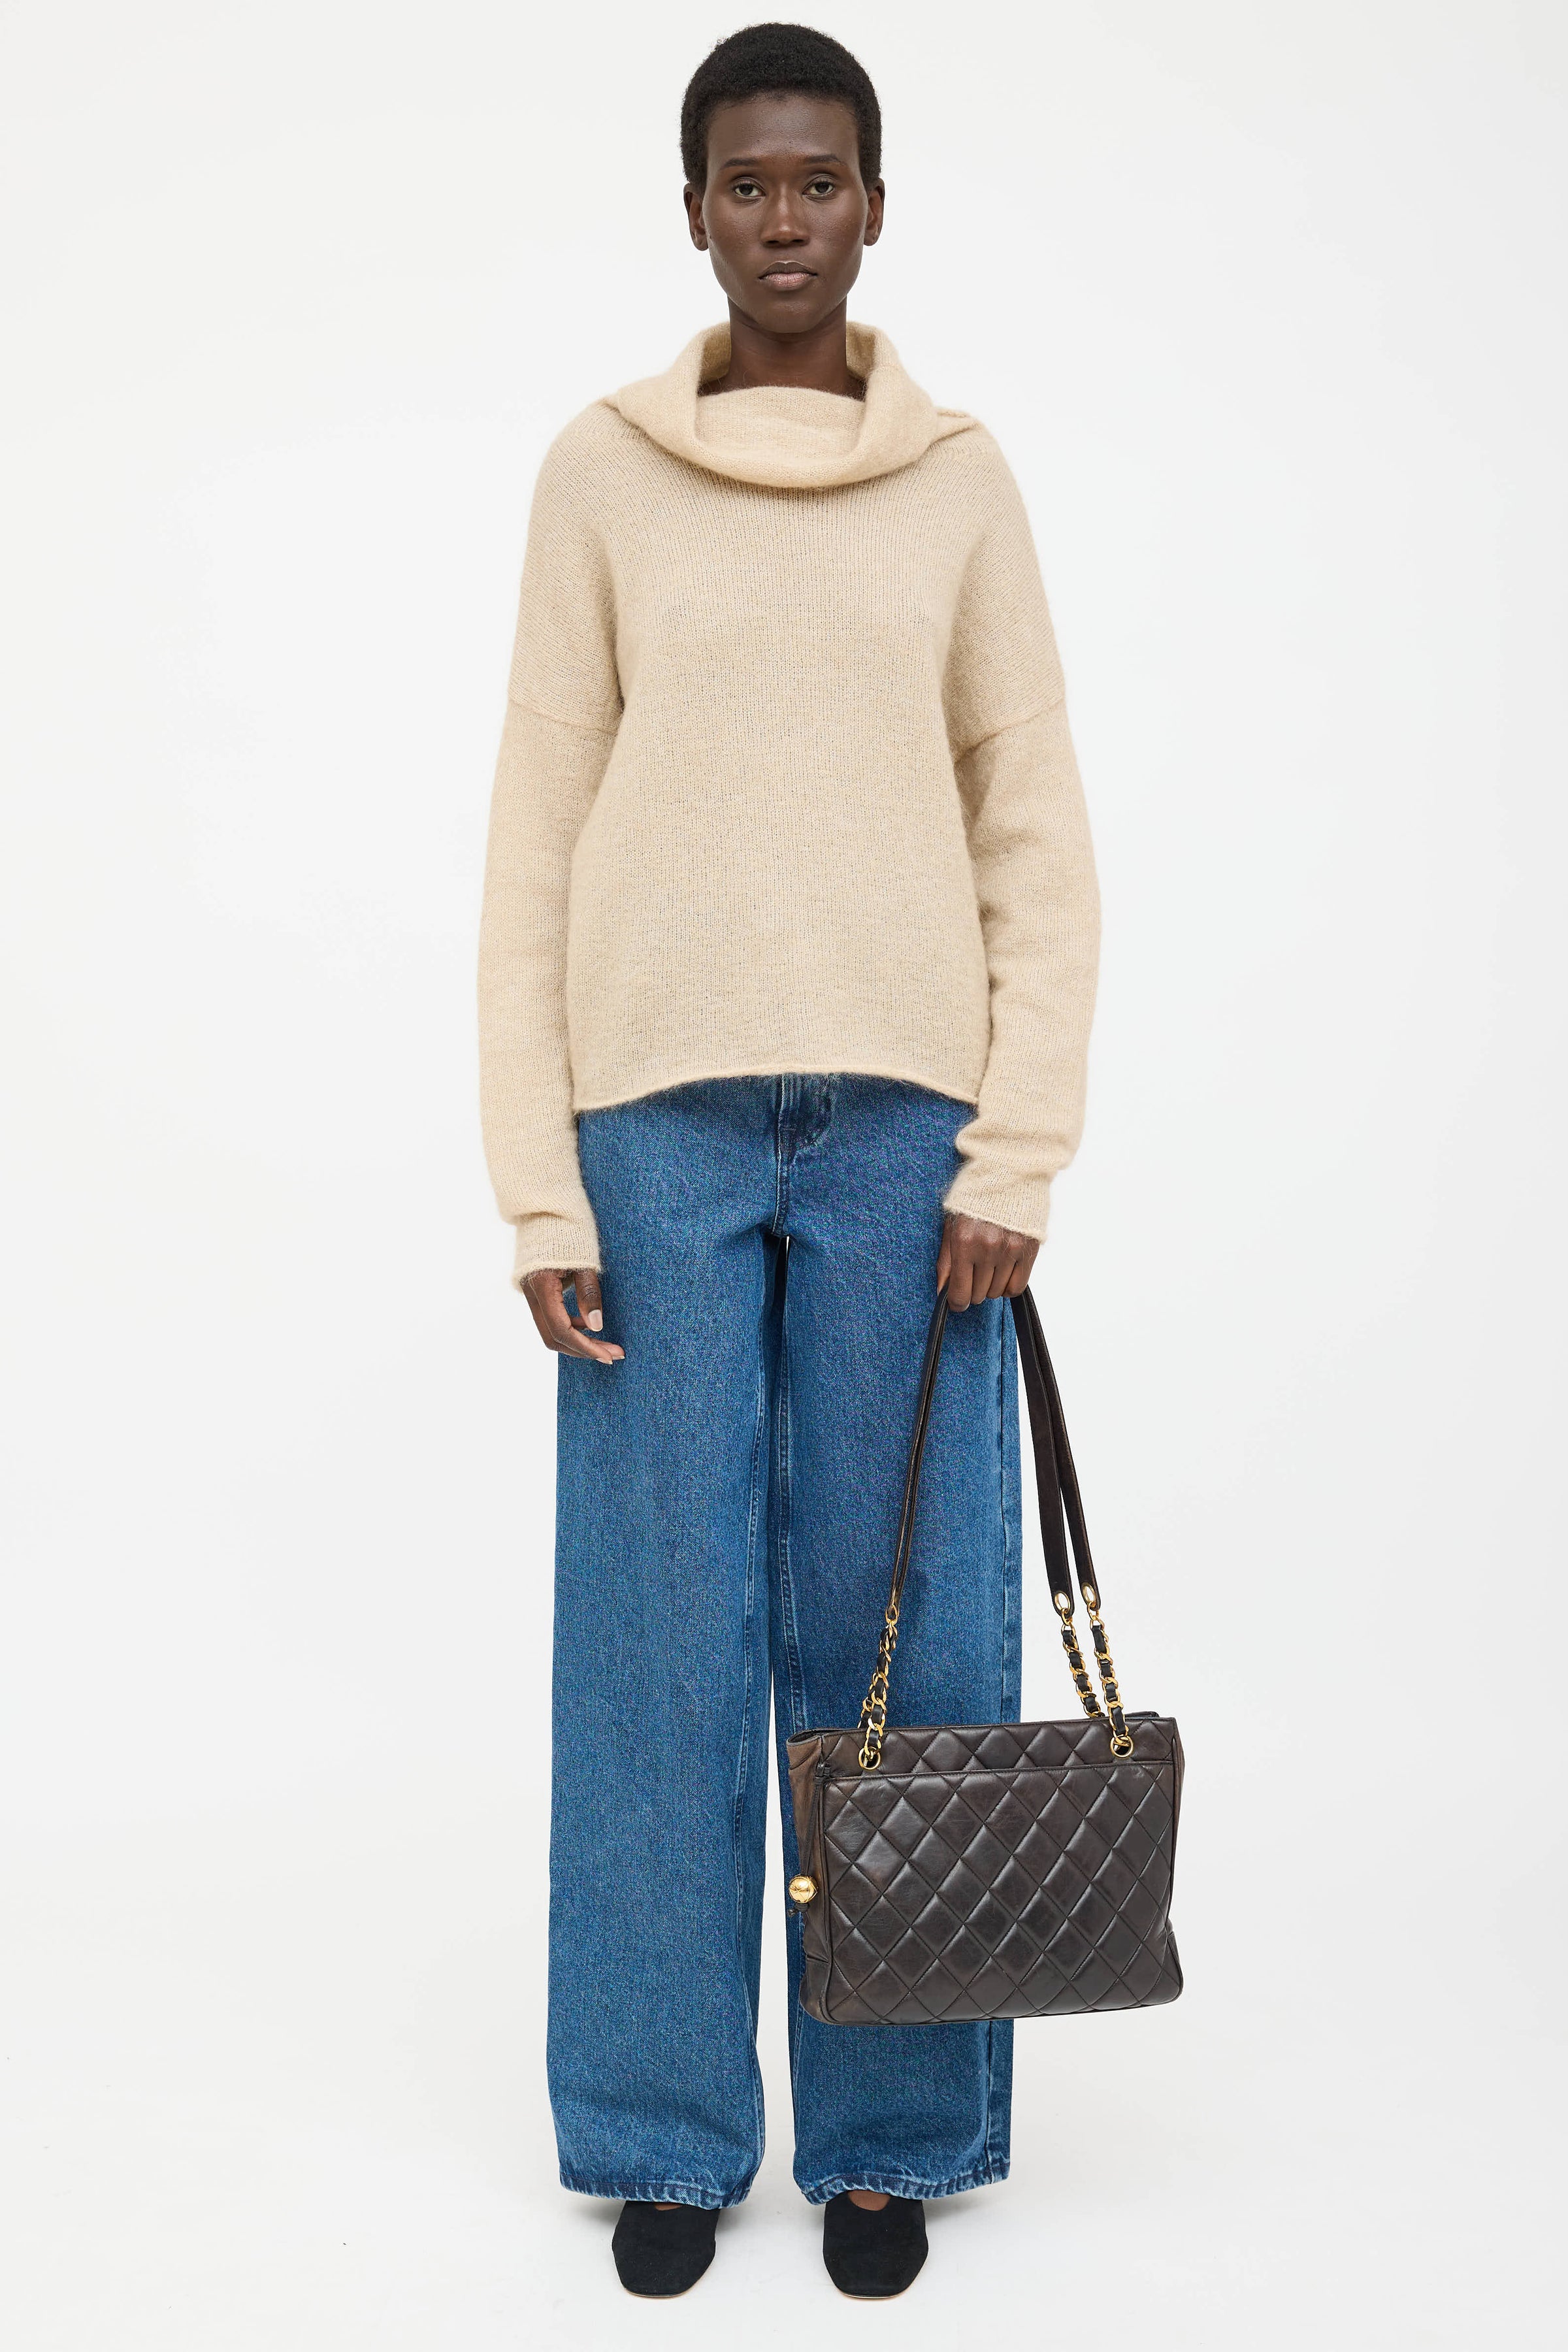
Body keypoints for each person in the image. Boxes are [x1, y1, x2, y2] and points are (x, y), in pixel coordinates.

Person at [478, 20, 1099, 2301]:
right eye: (743, 183)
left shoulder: (962, 486)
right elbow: (536, 834)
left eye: (817, 181)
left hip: (908, 1139)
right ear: (693, 212)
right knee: (659, 1634)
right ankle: (663, 2127)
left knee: (900, 1634)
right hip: (652, 1124)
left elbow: (1034, 826)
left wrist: (1018, 1144)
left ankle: (894, 2140)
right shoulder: (601, 477)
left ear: (874, 207)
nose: (782, 220)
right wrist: (538, 1180)